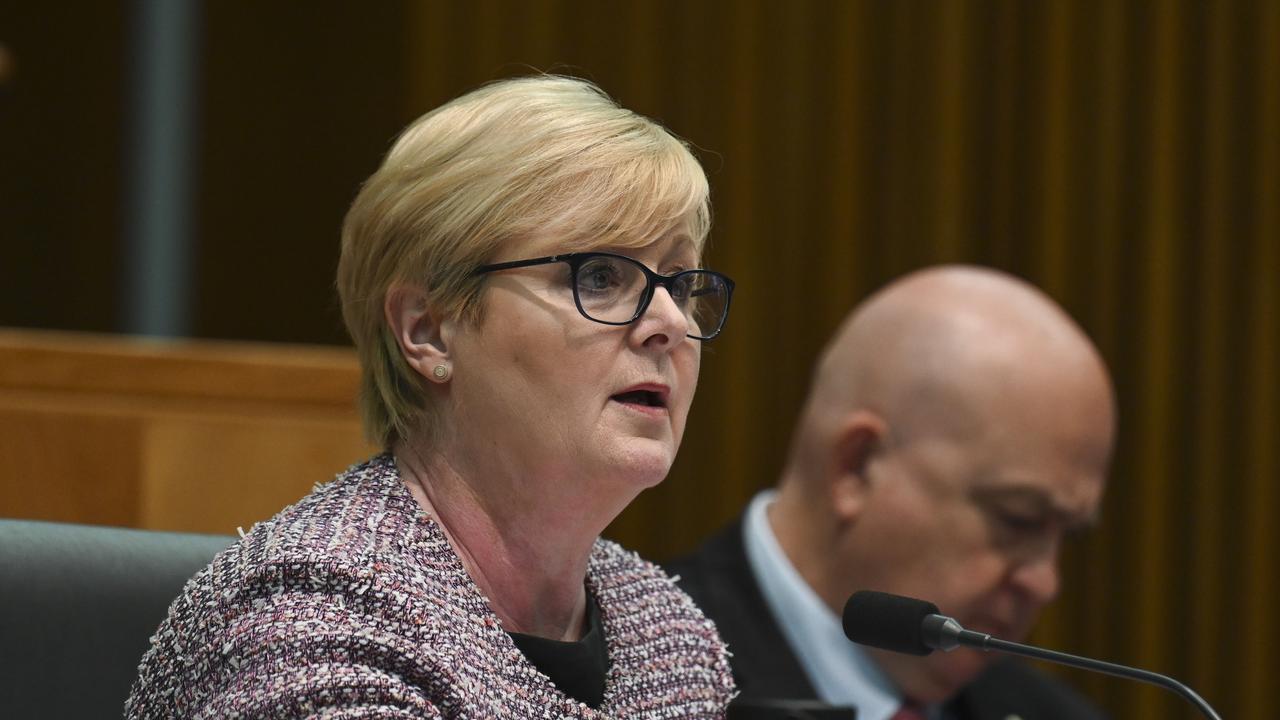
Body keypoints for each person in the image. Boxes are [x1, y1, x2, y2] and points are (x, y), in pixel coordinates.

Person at [126, 75, 738, 718]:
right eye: (599, 276)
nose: (668, 321)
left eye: (679, 281)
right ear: (428, 330)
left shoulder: (670, 637)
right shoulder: (310, 621)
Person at [670, 266, 1115, 720]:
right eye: (1016, 518)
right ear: (856, 467)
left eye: (1068, 533)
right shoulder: (631, 673)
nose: (1045, 584)